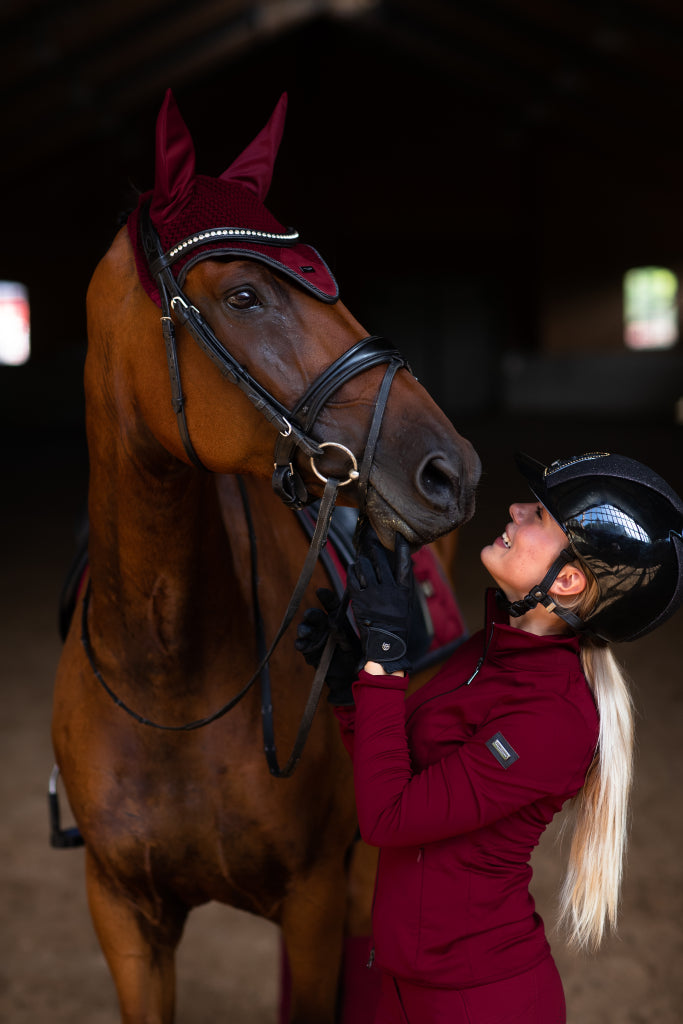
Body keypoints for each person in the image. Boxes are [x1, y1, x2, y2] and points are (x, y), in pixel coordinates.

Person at [296, 451, 683, 1024]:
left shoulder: (554, 718)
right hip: (407, 985)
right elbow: (405, 782)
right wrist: (351, 689)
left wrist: (386, 659)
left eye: (540, 517)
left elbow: (388, 819)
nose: (516, 509)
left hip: (476, 1002)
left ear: (570, 581)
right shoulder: (493, 652)